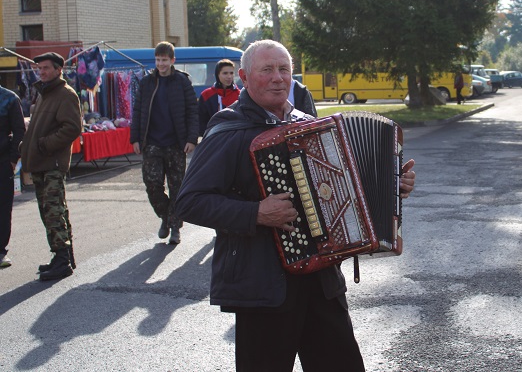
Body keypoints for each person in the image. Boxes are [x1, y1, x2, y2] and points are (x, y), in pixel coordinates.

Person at [175, 40, 416, 371]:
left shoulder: (307, 124)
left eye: (284, 69)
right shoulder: (228, 129)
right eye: (267, 70)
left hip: (322, 283)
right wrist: (256, 213)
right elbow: (189, 202)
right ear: (244, 77)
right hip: (262, 286)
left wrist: (391, 188)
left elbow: (345, 192)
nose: (278, 78)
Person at [20, 52, 82, 281]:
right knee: (51, 211)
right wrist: (26, 147)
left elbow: (72, 127)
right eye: (39, 69)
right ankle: (62, 256)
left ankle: (62, 259)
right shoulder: (44, 94)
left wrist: (44, 145)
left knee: (54, 211)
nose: (42, 72)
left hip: (52, 163)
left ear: (58, 70)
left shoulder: (65, 94)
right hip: (40, 162)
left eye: (46, 68)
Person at [130, 41, 198, 245]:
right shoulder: (146, 82)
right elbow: (138, 111)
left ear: (172, 60)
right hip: (151, 143)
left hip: (176, 144)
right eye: (158, 60)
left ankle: (175, 227)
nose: (161, 64)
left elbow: (192, 112)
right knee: (152, 185)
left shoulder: (182, 81)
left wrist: (191, 139)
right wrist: (135, 138)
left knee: (177, 187)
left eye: (164, 60)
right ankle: (166, 217)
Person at [0, 85, 26, 268]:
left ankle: (1, 250)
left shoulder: (9, 98)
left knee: (2, 206)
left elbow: (19, 131)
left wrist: (12, 160)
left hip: (2, 162)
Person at [198, 59, 241, 136]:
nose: (229, 76)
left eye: (231, 73)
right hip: (212, 138)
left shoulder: (240, 95)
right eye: (225, 73)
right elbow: (200, 121)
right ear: (217, 75)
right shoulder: (206, 95)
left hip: (236, 138)